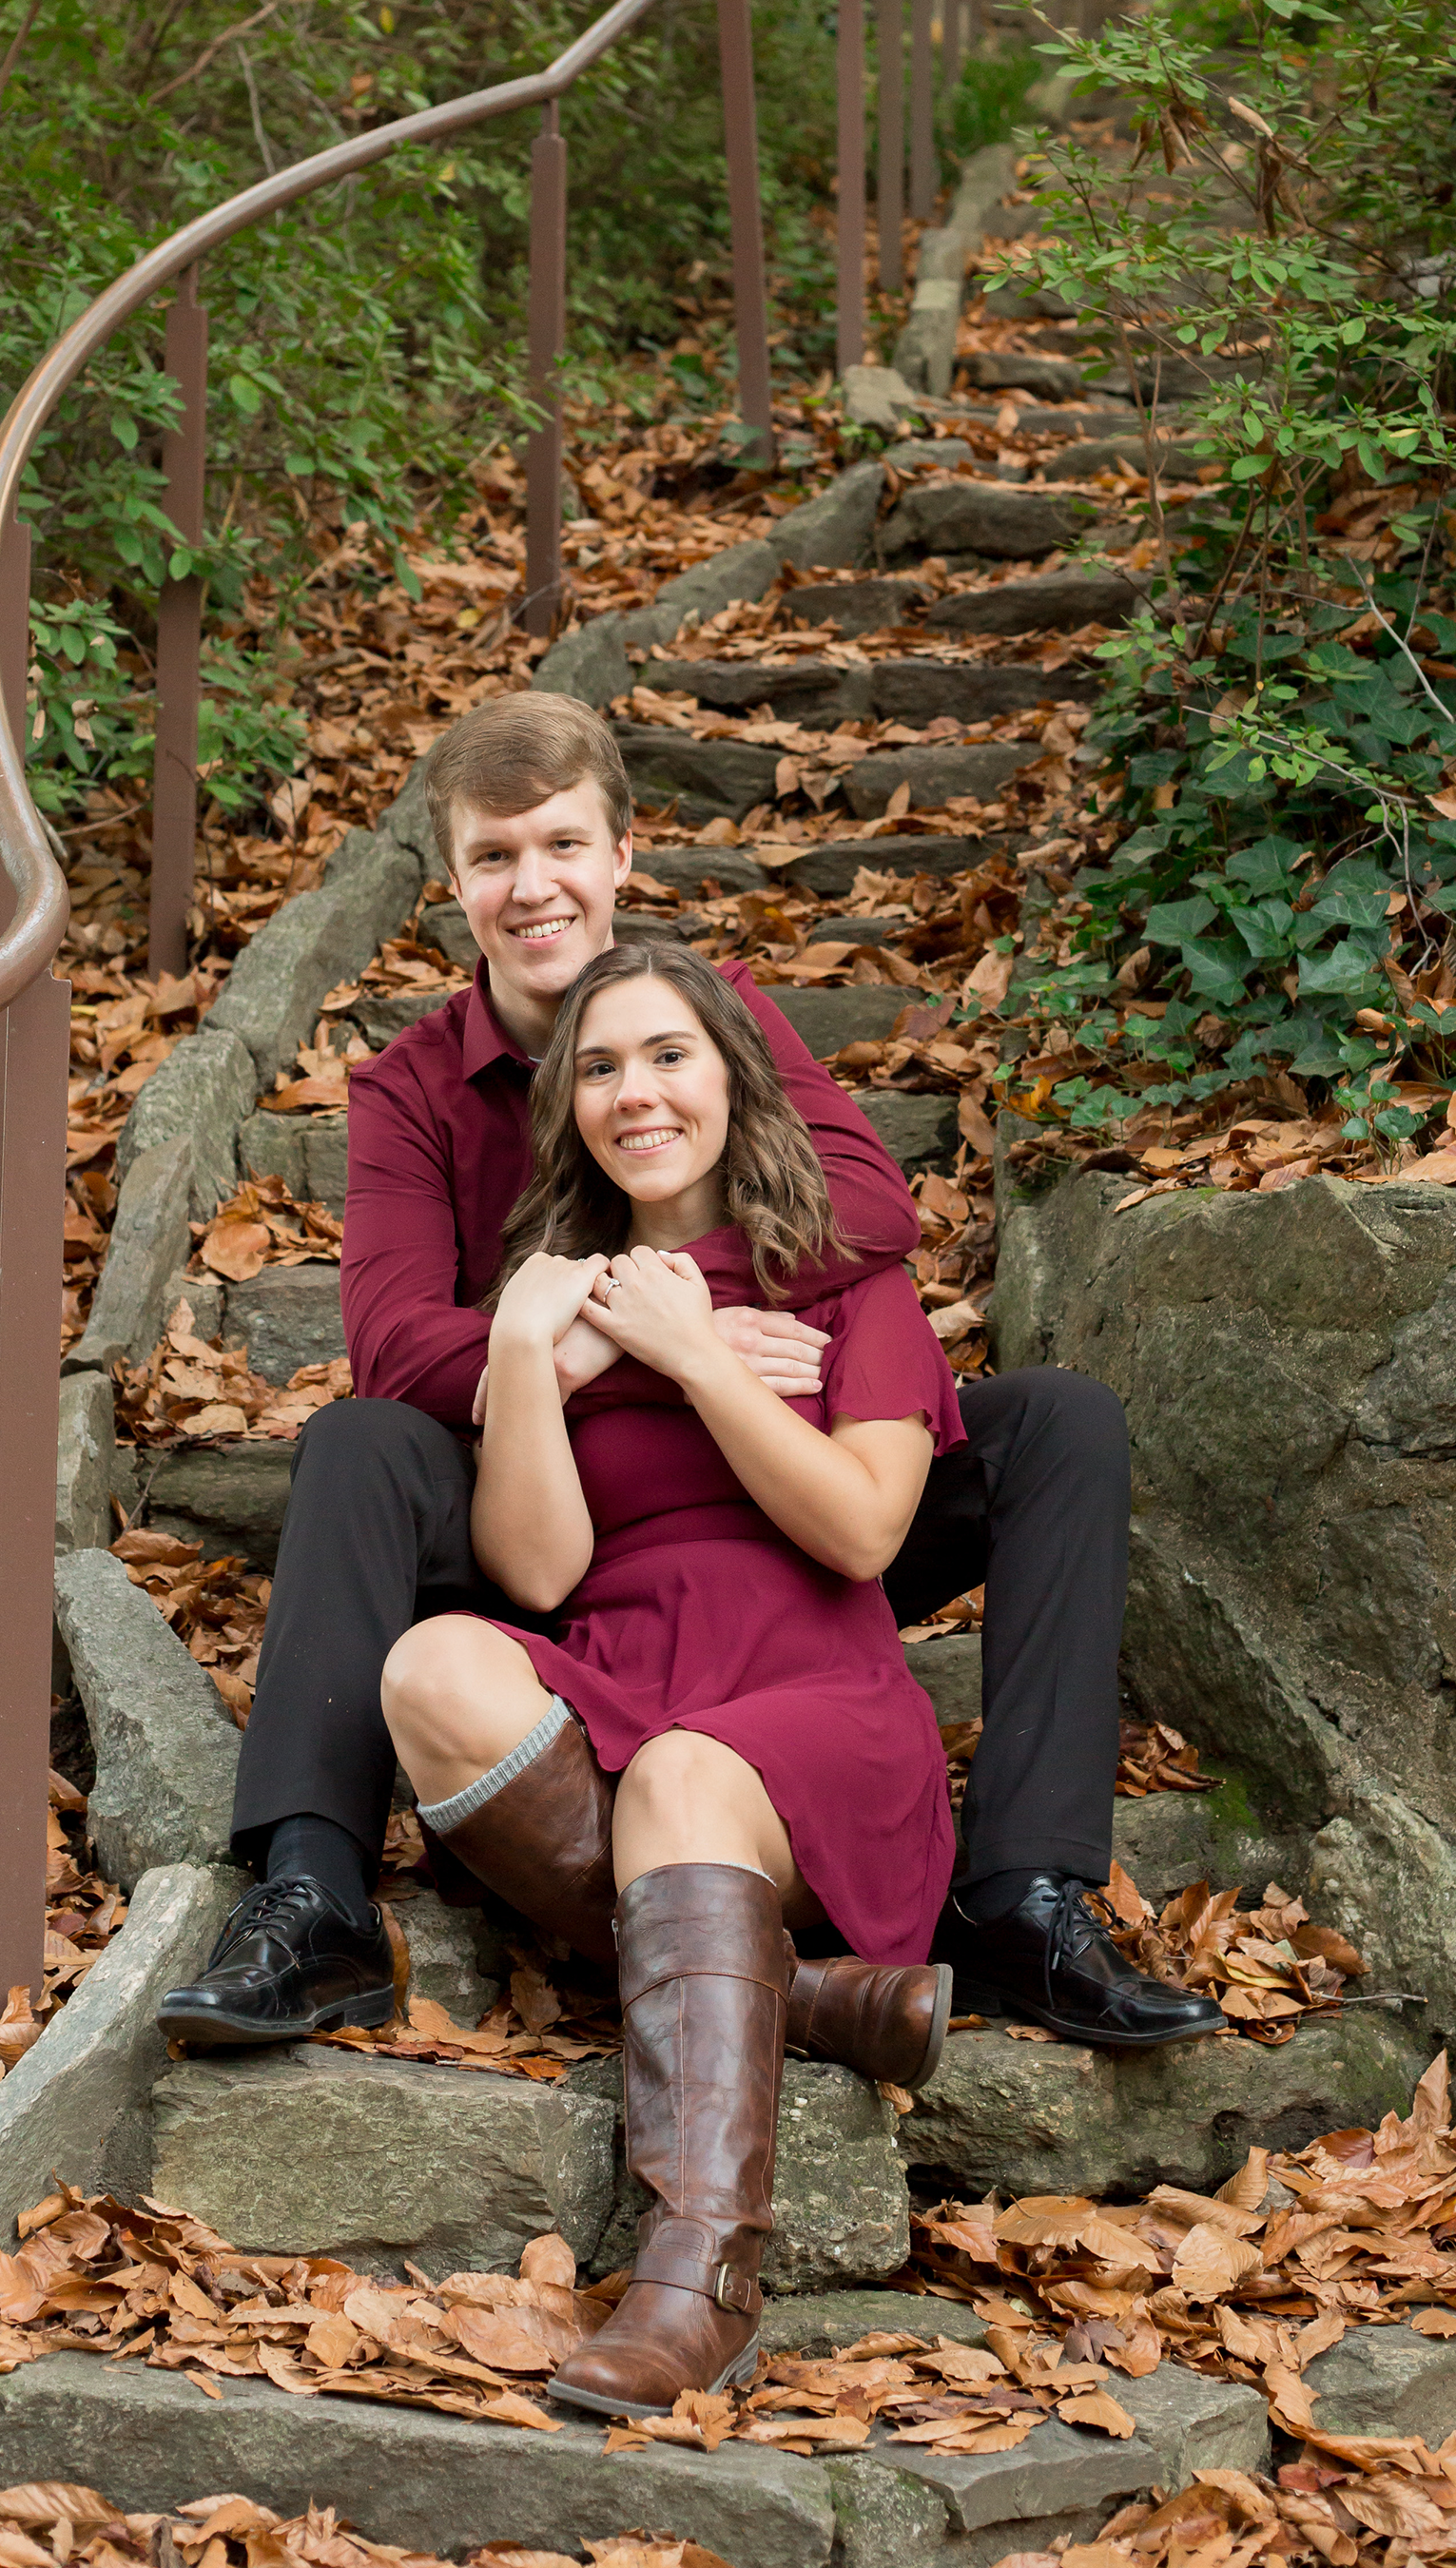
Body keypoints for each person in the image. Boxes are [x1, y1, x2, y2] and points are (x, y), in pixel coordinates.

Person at [156, 692, 1222, 2054]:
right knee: (359, 1440)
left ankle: (1023, 1896)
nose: (533, 885)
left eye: (562, 844)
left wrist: (689, 1328)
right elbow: (397, 1342)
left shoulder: (705, 1020)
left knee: (1059, 1421)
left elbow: (871, 1209)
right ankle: (312, 1896)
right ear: (454, 881)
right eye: (495, 856)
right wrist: (594, 1339)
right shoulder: (411, 1093)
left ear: (621, 856)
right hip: (552, 1520)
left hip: (790, 1514)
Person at [383, 940, 962, 2416]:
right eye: (599, 1067)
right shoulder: (557, 1294)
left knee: (692, 1774)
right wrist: (525, 1350)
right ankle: (804, 1993)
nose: (634, 1092)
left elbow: (866, 1527)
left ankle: (698, 2273)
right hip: (627, 1672)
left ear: (734, 1078)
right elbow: (537, 1575)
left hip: (812, 1704)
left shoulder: (847, 1281)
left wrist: (696, 1358)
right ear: (567, 1106)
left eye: (668, 1057)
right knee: (433, 1670)